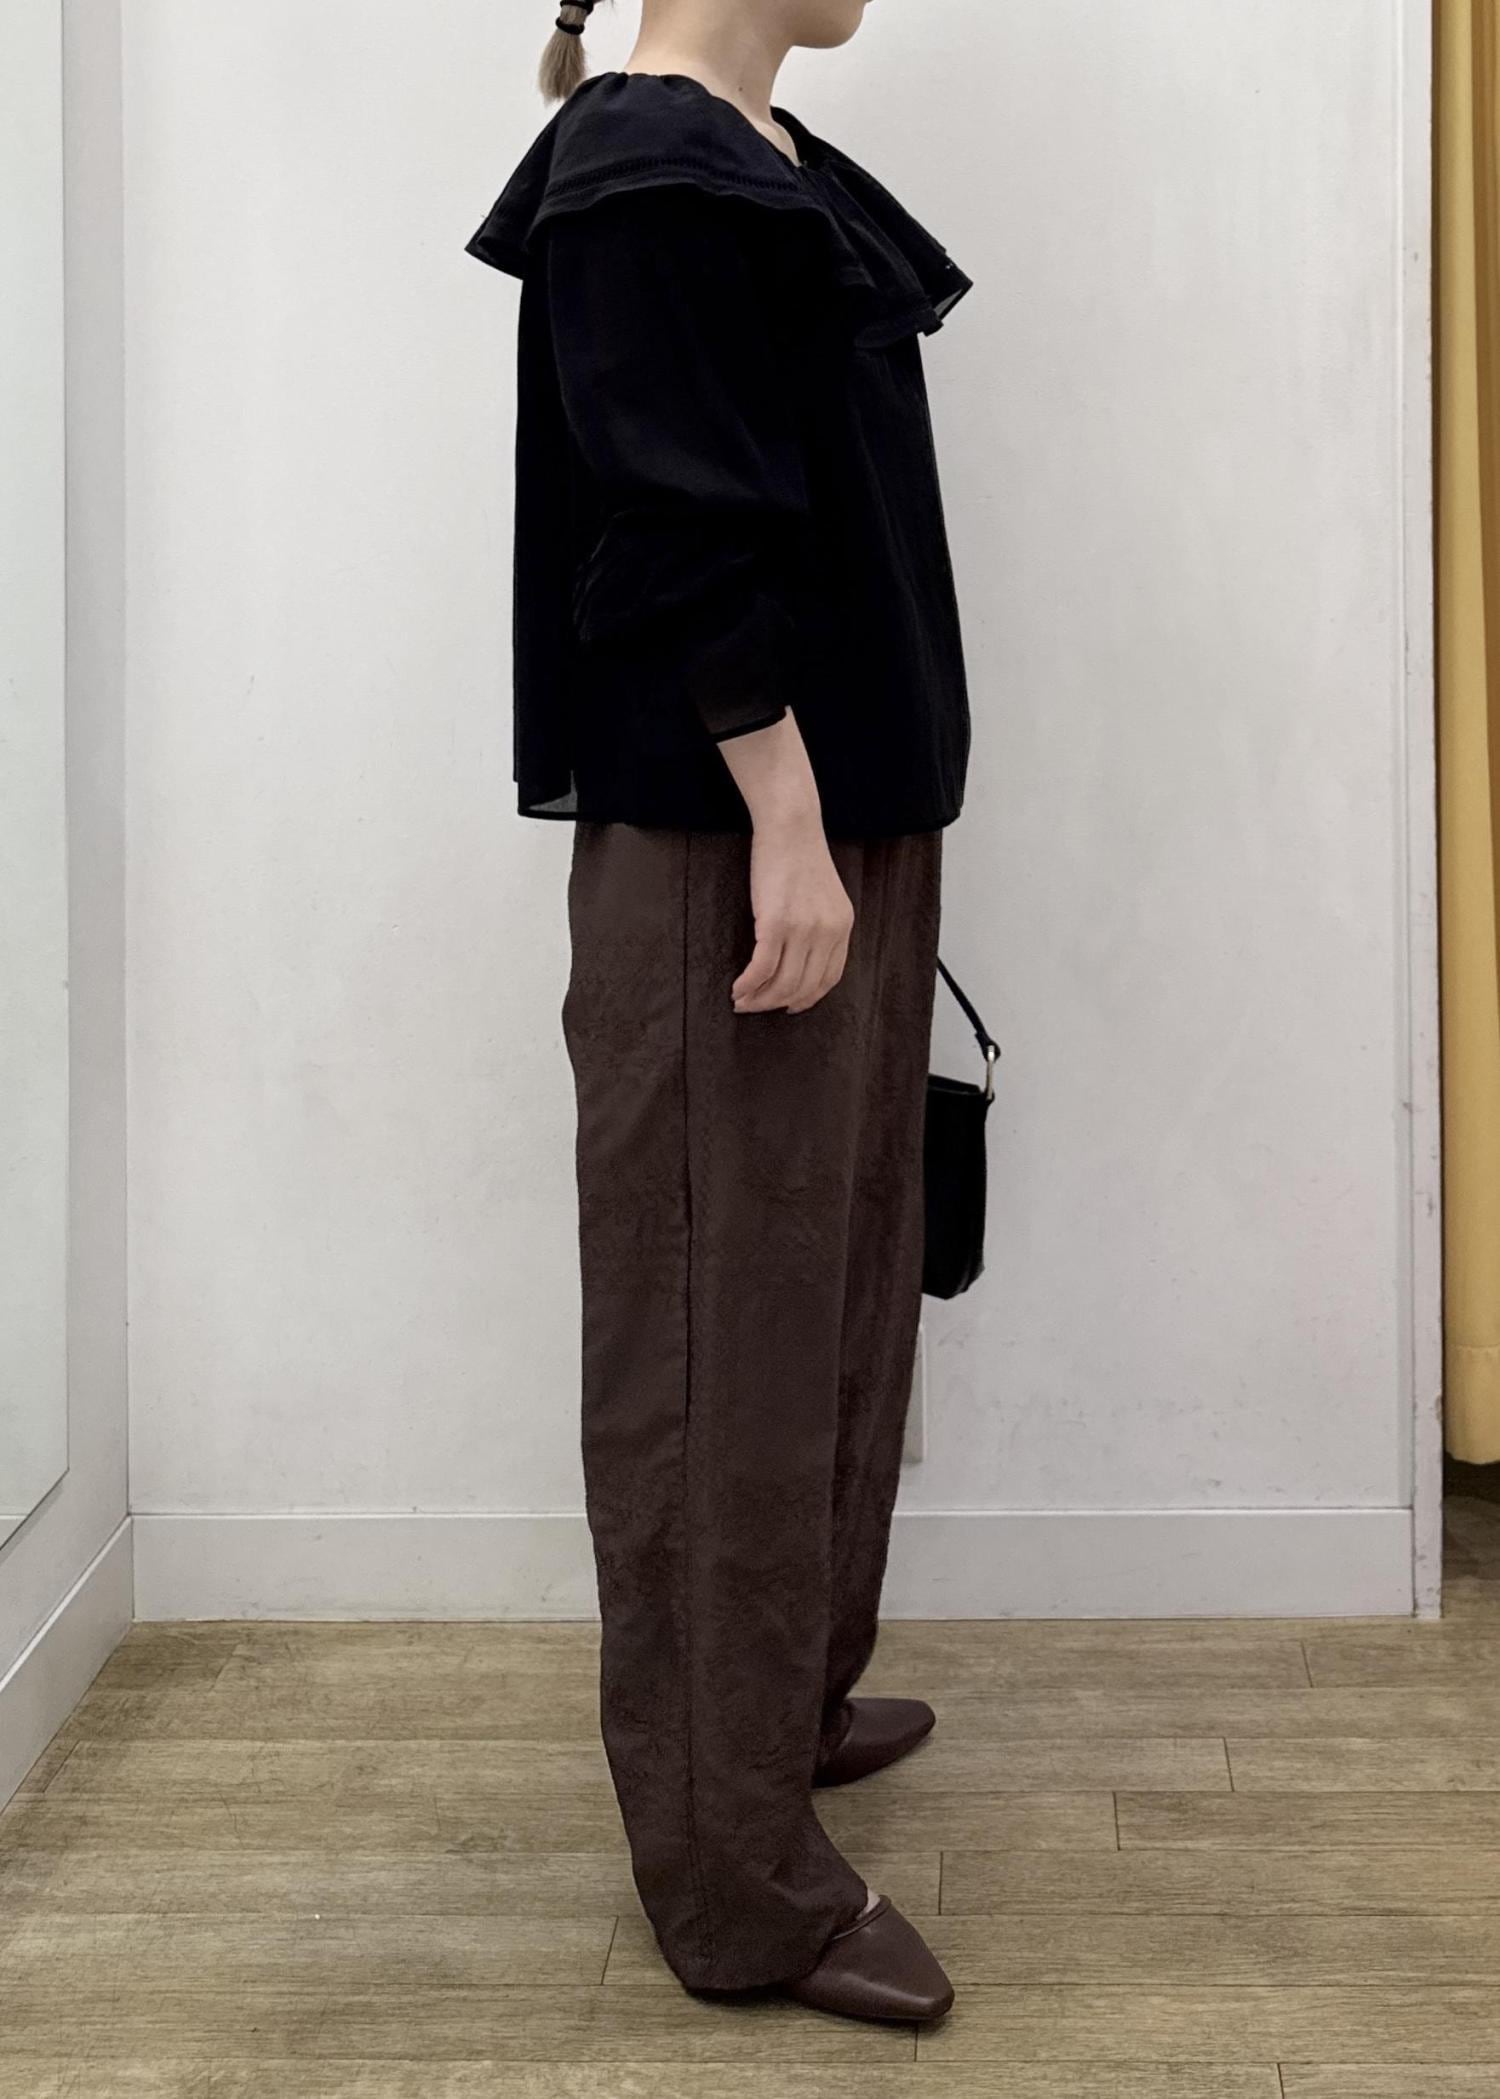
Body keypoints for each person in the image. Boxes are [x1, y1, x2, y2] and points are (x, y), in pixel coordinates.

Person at [467, 0, 972, 2025]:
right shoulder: (644, 162)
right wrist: (781, 816)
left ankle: (777, 1717)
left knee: (830, 1303)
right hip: (731, 851)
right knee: (714, 1351)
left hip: (830, 831)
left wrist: (844, 828)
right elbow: (664, 526)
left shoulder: (757, 160)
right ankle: (737, 1882)